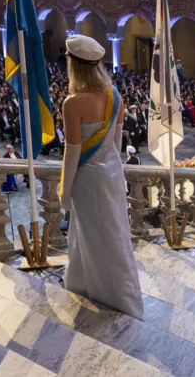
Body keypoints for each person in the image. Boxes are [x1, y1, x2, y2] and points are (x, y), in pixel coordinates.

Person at [58, 35, 143, 319]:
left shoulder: (73, 103)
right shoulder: (115, 95)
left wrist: (64, 191)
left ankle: (108, 292)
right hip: (111, 172)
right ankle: (88, 284)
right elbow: (116, 144)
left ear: (74, 65)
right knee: (113, 231)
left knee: (91, 234)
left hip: (88, 177)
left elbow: (72, 152)